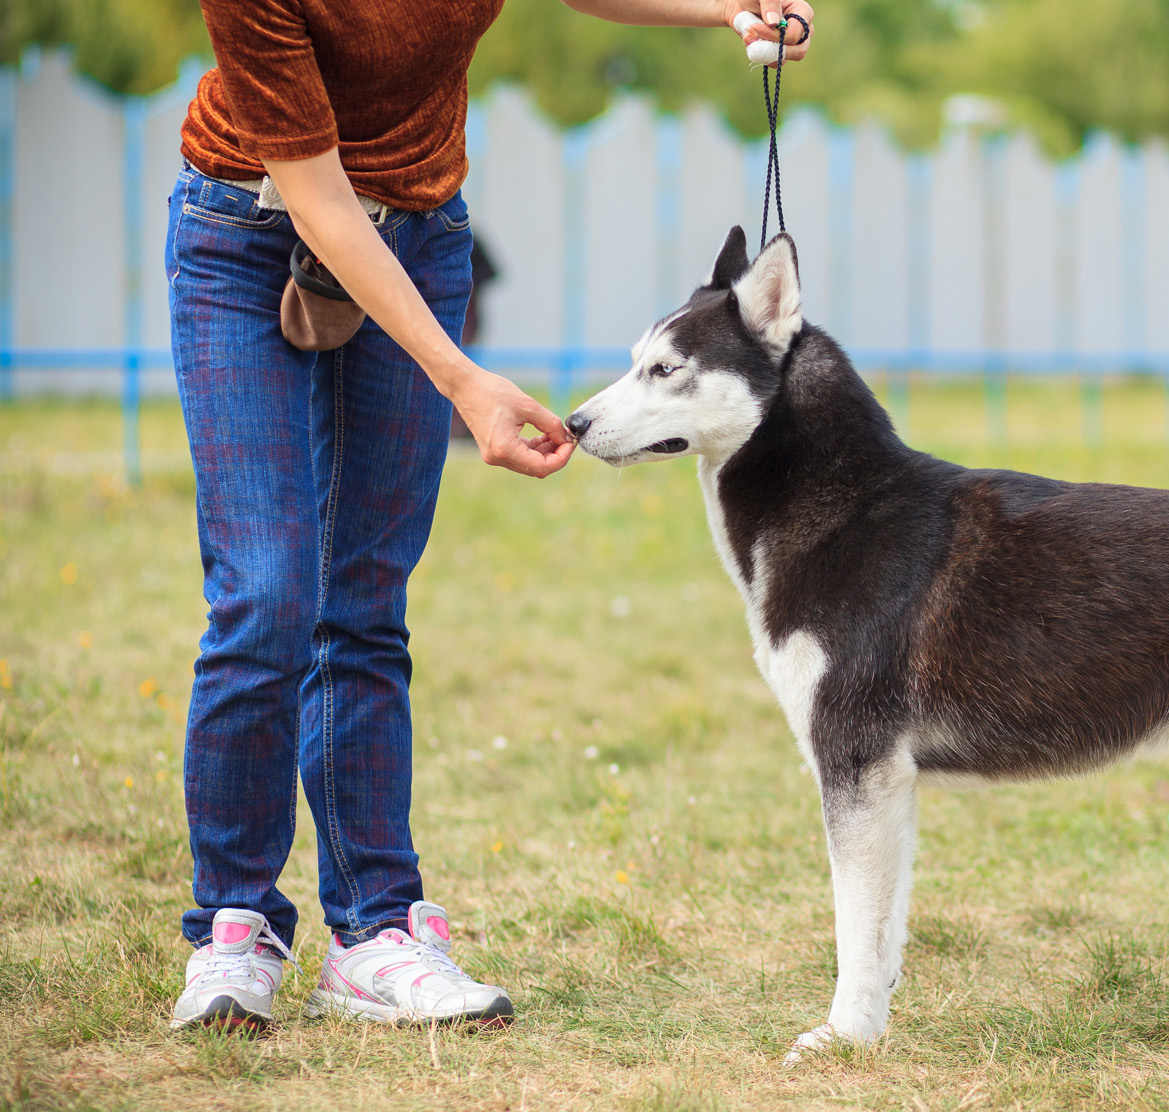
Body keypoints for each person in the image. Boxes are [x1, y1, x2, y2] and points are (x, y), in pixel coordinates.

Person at [166, 0, 815, 1032]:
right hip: (246, 236)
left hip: (421, 232)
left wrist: (724, 5)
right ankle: (233, 928)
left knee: (363, 598)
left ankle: (376, 930)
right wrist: (463, 378)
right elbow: (319, 200)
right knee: (268, 591)